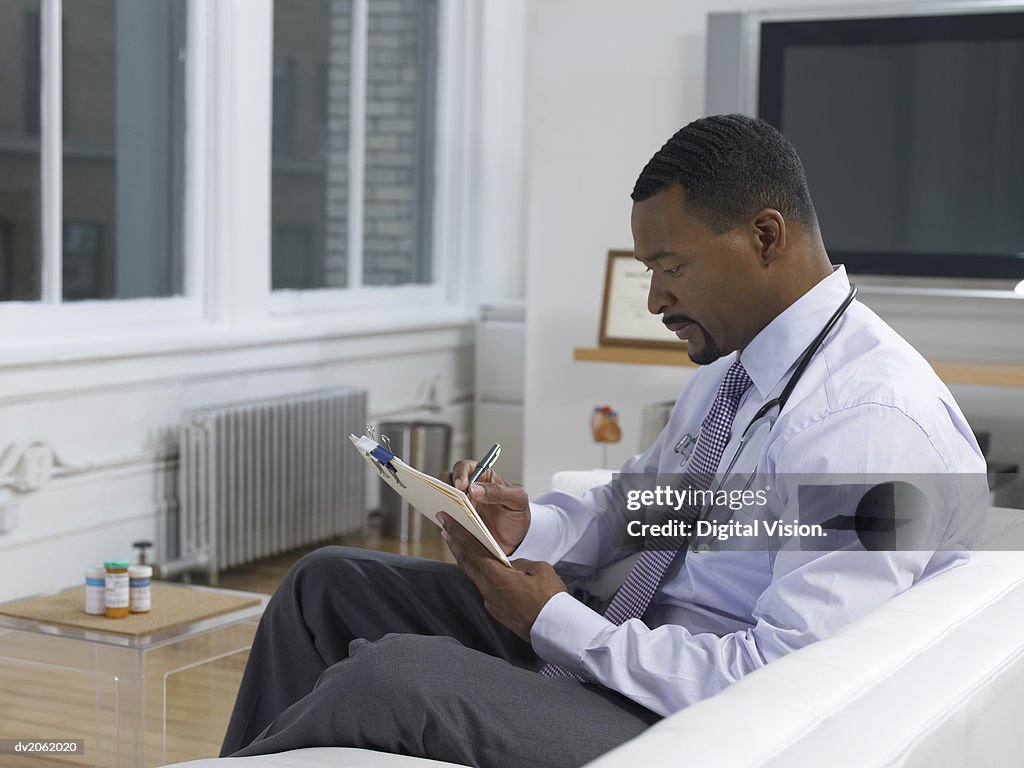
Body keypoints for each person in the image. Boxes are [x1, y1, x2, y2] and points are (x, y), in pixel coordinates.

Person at [220, 115, 987, 767]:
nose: (653, 297)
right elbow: (644, 511)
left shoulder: (868, 423)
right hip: (633, 645)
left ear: (764, 237)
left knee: (392, 681)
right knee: (325, 584)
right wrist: (532, 529)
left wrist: (554, 621)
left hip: (699, 722)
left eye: (670, 266)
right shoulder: (736, 372)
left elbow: (781, 681)